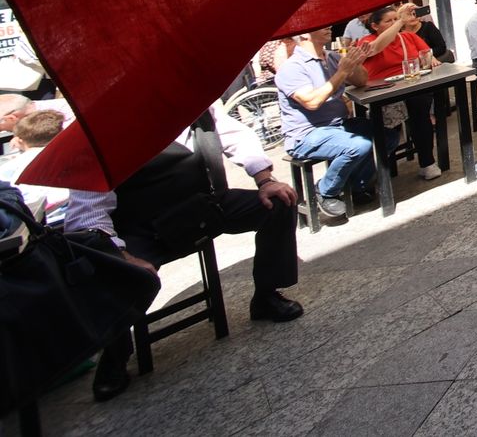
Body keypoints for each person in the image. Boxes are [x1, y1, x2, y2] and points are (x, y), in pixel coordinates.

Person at [65, 100, 305, 401]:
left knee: (279, 203)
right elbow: (85, 217)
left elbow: (237, 137)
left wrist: (265, 179)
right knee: (114, 268)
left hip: (206, 208)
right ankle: (115, 354)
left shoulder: (196, 104)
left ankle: (266, 296)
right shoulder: (102, 133)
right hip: (145, 228)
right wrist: (123, 254)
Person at [276, 26, 378, 219]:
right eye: (321, 25)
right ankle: (324, 190)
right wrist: (342, 72)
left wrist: (355, 63)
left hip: (338, 125)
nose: (329, 26)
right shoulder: (292, 67)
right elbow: (312, 102)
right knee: (359, 146)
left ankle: (357, 185)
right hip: (307, 134)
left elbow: (362, 81)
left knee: (385, 136)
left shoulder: (331, 57)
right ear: (304, 34)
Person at [358, 4, 444, 180]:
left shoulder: (408, 37)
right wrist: (400, 22)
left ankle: (427, 162)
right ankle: (385, 168)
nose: (394, 23)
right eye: (388, 21)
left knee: (420, 109)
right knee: (389, 119)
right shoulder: (366, 41)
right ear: (374, 25)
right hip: (383, 92)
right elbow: (376, 48)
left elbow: (427, 55)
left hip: (411, 85)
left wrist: (431, 60)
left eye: (396, 19)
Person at [0, 109, 70, 222]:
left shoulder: (8, 168)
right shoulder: (73, 157)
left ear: (19, 140)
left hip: (34, 220)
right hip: (66, 215)